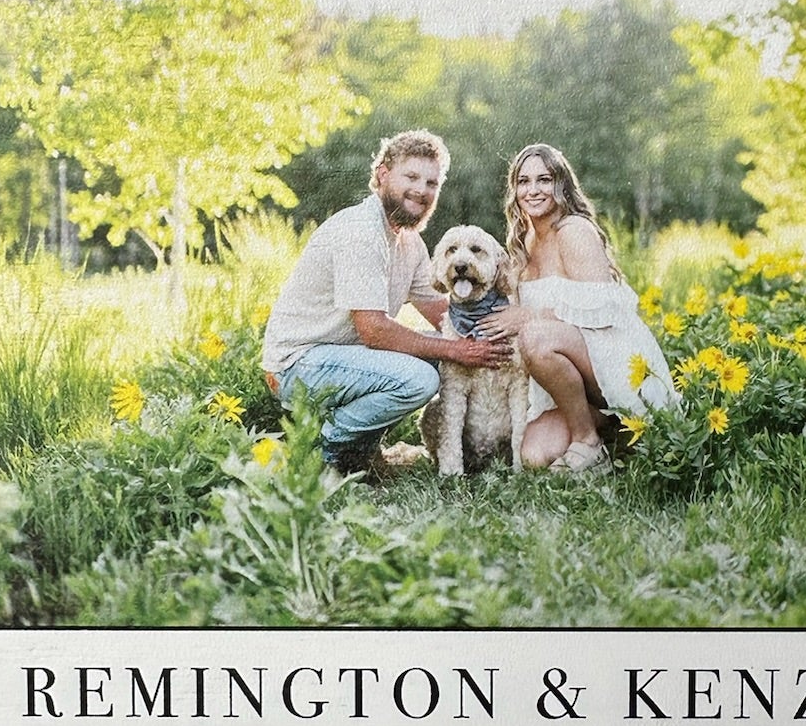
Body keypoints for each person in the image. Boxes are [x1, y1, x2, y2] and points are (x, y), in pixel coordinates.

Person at [261, 129, 511, 473]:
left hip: (344, 361)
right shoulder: (361, 231)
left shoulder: (409, 242)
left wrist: (504, 332)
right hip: (297, 365)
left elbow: (444, 313)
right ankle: (327, 453)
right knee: (420, 378)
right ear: (382, 175)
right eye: (411, 177)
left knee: (441, 354)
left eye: (431, 183)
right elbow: (374, 331)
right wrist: (455, 350)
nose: (421, 190)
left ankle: (363, 450)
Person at [476, 143, 677, 472]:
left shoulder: (573, 230)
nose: (533, 190)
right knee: (534, 455)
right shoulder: (524, 240)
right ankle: (612, 431)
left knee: (535, 337)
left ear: (561, 184)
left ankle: (588, 441)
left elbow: (604, 308)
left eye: (544, 179)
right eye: (524, 182)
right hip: (579, 383)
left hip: (615, 365)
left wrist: (528, 318)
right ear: (514, 190)